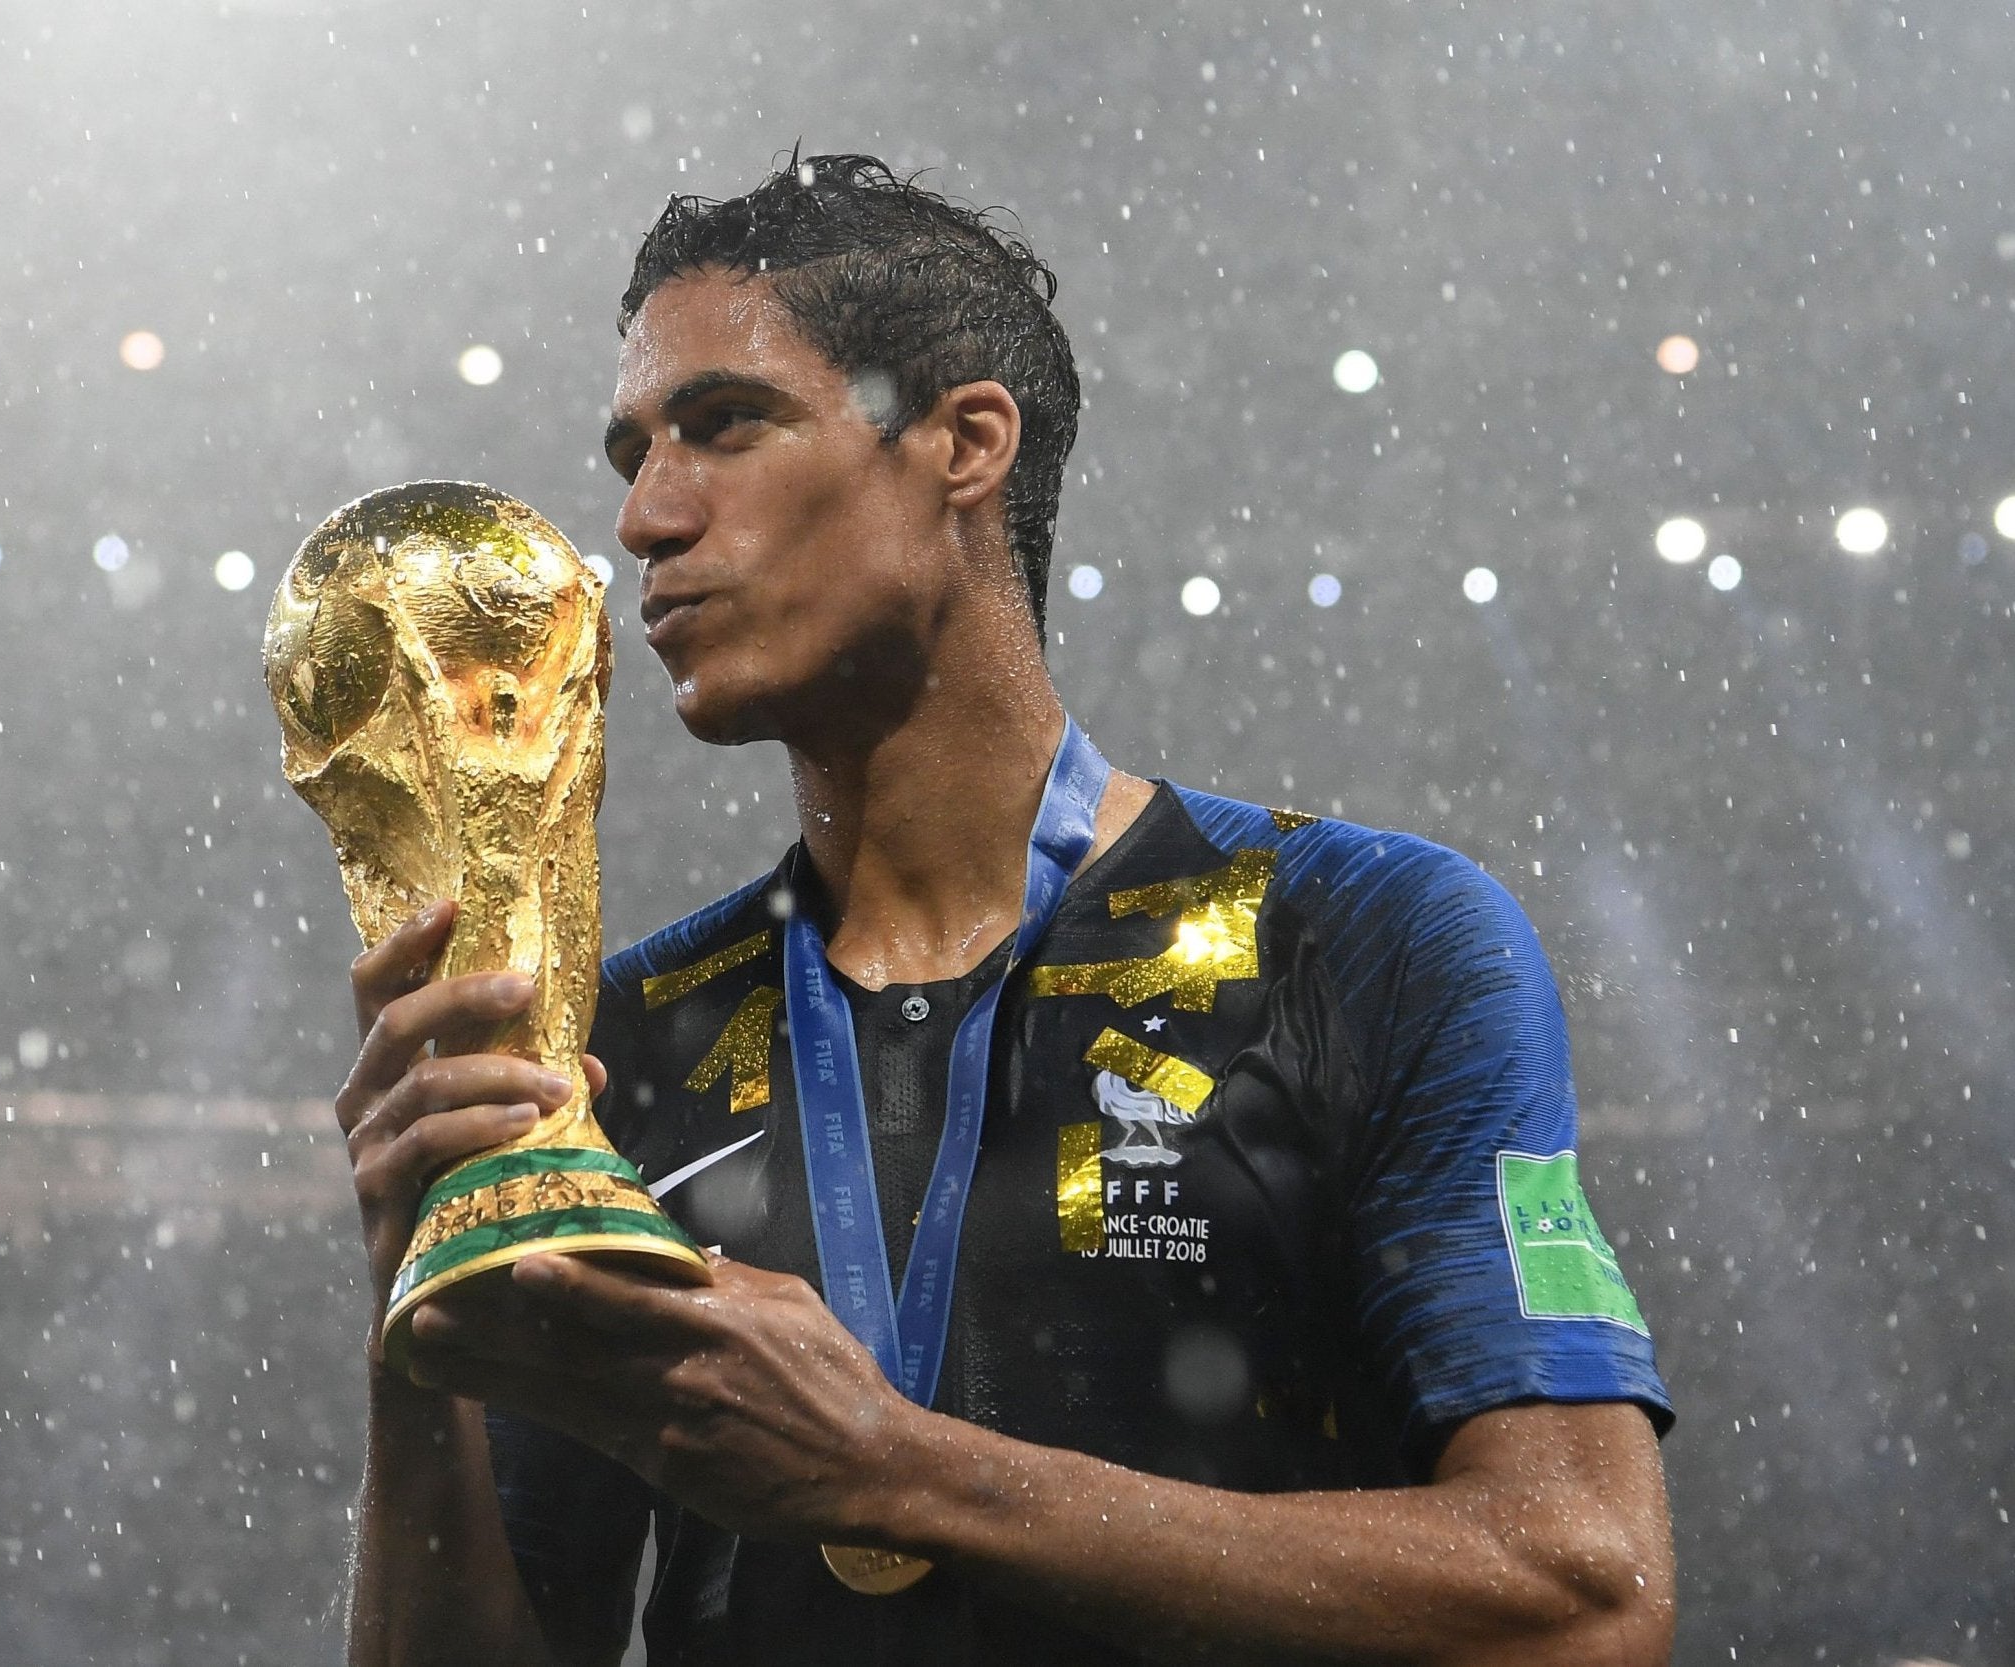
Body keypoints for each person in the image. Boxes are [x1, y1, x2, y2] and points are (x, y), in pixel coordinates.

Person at [334, 153, 1676, 1666]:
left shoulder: (1361, 934)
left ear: (962, 444)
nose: (644, 519)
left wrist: (897, 1473)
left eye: (724, 425)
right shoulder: (619, 1042)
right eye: (632, 451)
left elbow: (1584, 1596)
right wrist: (414, 1318)